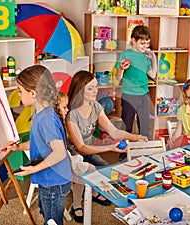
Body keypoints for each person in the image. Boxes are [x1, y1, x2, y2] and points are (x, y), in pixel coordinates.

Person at [8, 65, 72, 225]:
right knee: (46, 212)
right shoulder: (42, 113)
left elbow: (59, 153)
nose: (19, 94)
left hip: (53, 181)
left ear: (33, 93)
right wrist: (18, 147)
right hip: (50, 179)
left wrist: (34, 169)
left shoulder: (45, 119)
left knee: (51, 221)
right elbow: (38, 142)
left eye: (20, 90)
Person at [66, 70, 148, 168]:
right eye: (90, 88)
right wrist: (110, 147)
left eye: (96, 87)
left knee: (106, 169)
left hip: (89, 152)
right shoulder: (72, 114)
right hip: (74, 157)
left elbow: (114, 132)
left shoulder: (95, 106)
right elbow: (81, 147)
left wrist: (138, 137)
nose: (95, 91)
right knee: (95, 172)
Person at [55, 91, 111, 223]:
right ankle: (77, 204)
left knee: (103, 169)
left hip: (78, 155)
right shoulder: (56, 125)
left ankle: (92, 191)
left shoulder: (68, 119)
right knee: (88, 170)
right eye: (64, 107)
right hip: (68, 161)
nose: (67, 109)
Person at [115, 25, 158, 140]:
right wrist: (121, 68)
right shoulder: (125, 55)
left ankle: (145, 149)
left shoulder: (145, 57)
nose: (145, 46)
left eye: (147, 43)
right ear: (133, 40)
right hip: (129, 94)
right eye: (142, 43)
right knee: (127, 125)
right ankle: (123, 153)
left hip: (144, 94)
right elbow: (118, 77)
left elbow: (153, 75)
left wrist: (153, 58)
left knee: (145, 125)